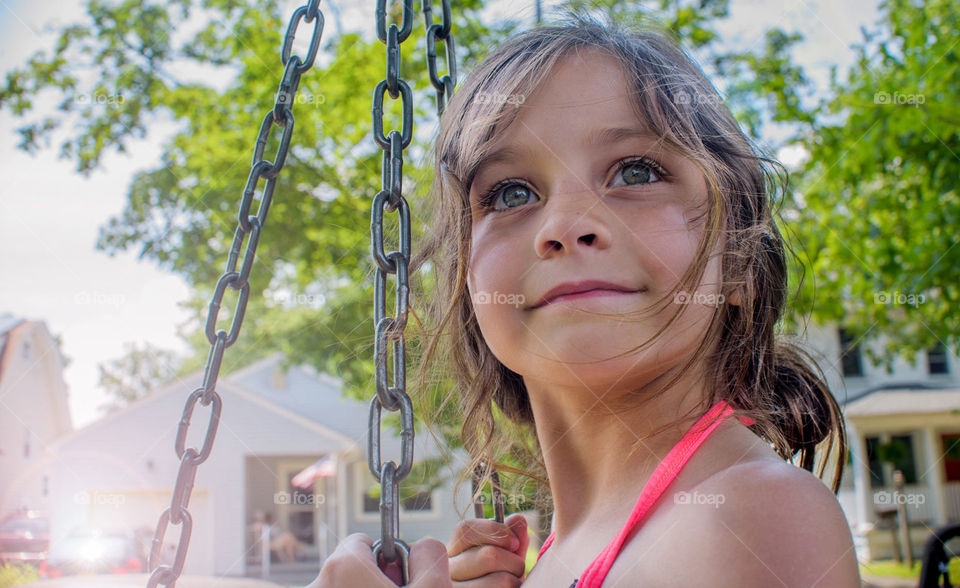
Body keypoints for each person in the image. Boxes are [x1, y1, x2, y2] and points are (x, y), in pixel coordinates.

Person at [309, 15, 861, 588]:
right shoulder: (563, 551)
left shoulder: (750, 512)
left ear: (740, 263)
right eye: (511, 193)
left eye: (637, 172)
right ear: (468, 286)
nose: (568, 225)